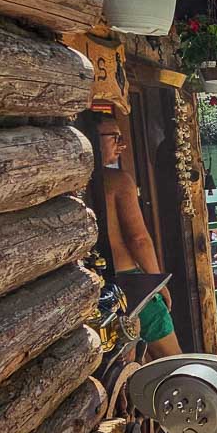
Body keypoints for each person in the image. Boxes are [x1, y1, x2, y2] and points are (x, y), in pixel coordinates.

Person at [93, 113, 180, 357]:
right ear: (93, 138)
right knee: (175, 361)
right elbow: (138, 238)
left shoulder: (71, 185)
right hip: (129, 283)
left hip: (95, 287)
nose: (122, 144)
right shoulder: (118, 180)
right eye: (115, 137)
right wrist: (158, 284)